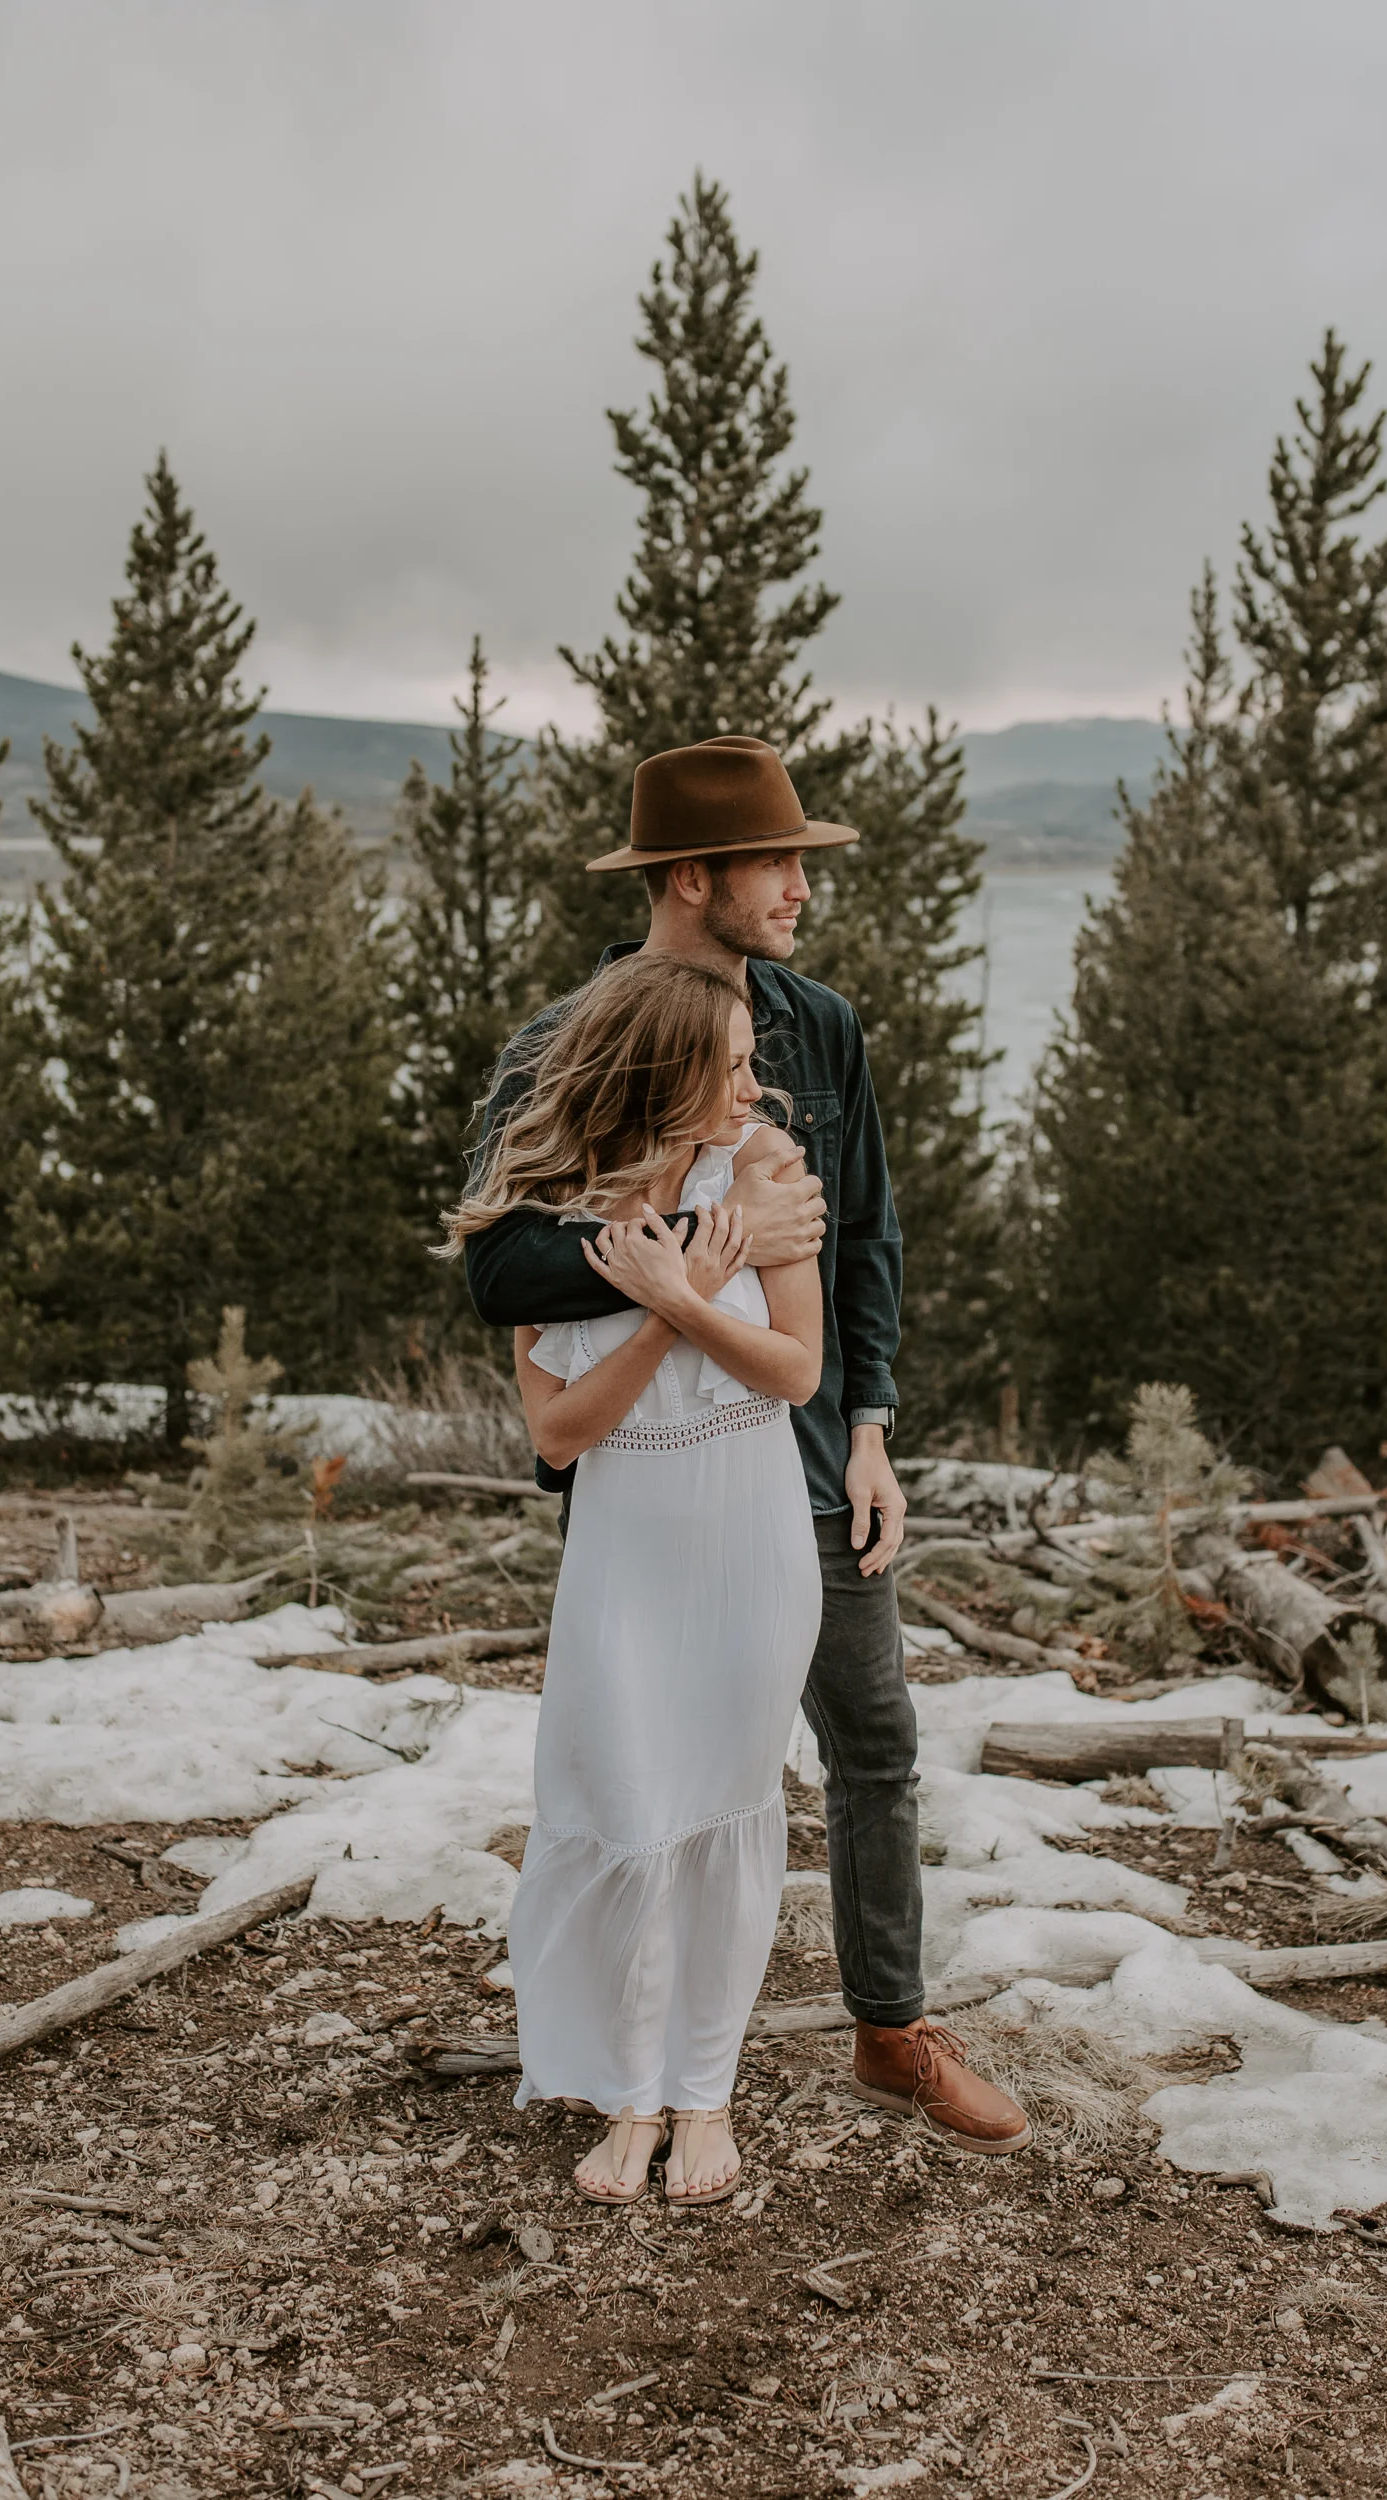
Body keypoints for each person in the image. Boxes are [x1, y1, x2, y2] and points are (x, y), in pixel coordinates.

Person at [465, 735, 1032, 2166]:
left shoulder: (819, 1027)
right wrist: (686, 1266)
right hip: (654, 1455)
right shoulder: (569, 1035)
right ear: (692, 876)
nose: (799, 888)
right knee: (648, 1768)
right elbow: (503, 1267)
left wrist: (876, 1428)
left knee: (873, 1734)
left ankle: (890, 2028)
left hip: (806, 1441)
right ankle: (634, 2063)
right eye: (779, 864)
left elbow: (867, 1245)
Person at [447, 953, 824, 2204]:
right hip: (625, 1541)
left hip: (749, 1530)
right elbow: (558, 1435)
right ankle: (628, 2094)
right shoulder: (553, 1220)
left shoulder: (759, 1173)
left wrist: (694, 1295)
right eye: (728, 1064)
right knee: (627, 1803)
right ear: (662, 1074)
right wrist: (670, 1300)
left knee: (722, 1809)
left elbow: (794, 1372)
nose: (752, 1085)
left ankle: (704, 2094)